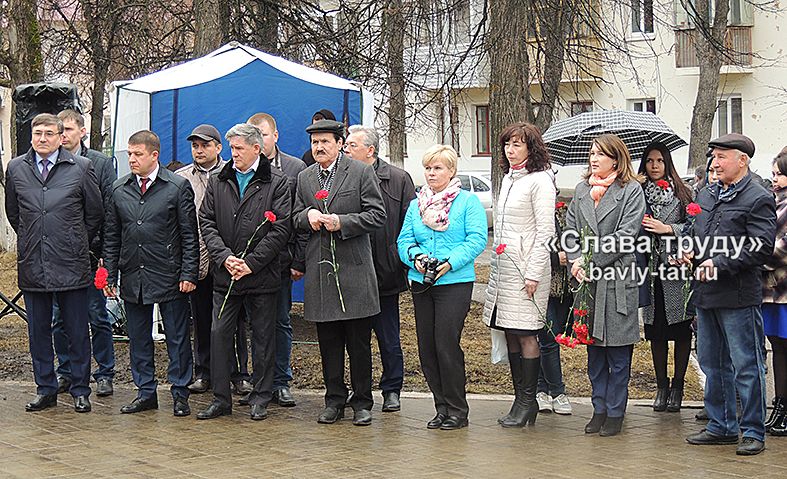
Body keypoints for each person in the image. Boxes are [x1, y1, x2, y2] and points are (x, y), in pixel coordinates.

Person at [4, 113, 103, 413]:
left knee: (75, 330)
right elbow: (14, 213)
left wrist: (72, 238)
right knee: (38, 332)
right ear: (31, 136)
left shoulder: (82, 168)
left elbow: (94, 214)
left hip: (71, 262)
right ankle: (45, 388)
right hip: (33, 261)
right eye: (37, 133)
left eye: (49, 133)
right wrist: (36, 237)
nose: (43, 138)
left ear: (62, 137)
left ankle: (80, 389)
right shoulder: (16, 168)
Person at [682, 133, 775, 456]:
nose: (715, 163)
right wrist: (686, 250)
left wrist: (718, 263)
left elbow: (760, 247)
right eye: (714, 157)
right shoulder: (706, 194)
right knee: (711, 362)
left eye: (722, 157)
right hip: (706, 294)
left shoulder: (758, 196)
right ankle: (721, 426)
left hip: (738, 296)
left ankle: (753, 431)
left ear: (742, 160)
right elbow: (696, 234)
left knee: (746, 365)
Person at [292, 119, 386, 426]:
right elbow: (294, 216)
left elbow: (376, 215)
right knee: (328, 341)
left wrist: (341, 222)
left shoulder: (359, 172)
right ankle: (333, 399)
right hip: (321, 271)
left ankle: (362, 401)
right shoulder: (305, 177)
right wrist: (308, 216)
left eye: (325, 142)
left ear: (339, 144)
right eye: (314, 142)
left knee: (358, 342)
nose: (318, 147)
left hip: (354, 271)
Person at [196, 124, 292, 421]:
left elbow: (280, 229)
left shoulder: (277, 182)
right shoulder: (218, 180)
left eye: (239, 149)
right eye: (232, 148)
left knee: (263, 338)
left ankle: (261, 397)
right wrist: (225, 258)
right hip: (225, 276)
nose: (233, 154)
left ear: (256, 149)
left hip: (260, 277)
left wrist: (251, 263)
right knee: (218, 333)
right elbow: (207, 222)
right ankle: (221, 398)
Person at [103, 130, 199, 416]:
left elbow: (189, 235)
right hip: (134, 273)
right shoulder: (119, 189)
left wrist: (189, 273)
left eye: (138, 154)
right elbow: (112, 236)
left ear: (154, 155)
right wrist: (110, 274)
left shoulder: (177, 187)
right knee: (138, 337)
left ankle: (180, 392)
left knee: (177, 337)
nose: (131, 159)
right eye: (129, 154)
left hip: (169, 274)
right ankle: (145, 391)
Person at [398, 144, 487, 430]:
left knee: (446, 345)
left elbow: (476, 240)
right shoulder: (416, 205)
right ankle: (441, 407)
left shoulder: (467, 202)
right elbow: (404, 241)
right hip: (422, 281)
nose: (432, 173)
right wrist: (416, 258)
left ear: (451, 171)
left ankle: (458, 409)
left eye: (438, 168)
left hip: (454, 281)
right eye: (428, 168)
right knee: (427, 348)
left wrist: (449, 263)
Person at [565, 134, 645, 437]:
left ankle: (615, 412)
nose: (594, 158)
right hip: (587, 284)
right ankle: (598, 408)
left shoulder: (630, 190)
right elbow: (570, 228)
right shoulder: (583, 190)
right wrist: (575, 259)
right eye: (592, 153)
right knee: (595, 355)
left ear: (616, 158)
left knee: (618, 355)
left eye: (601, 153)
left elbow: (627, 235)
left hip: (616, 280)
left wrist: (590, 260)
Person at [483, 123, 556, 428]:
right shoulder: (510, 179)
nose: (510, 150)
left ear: (531, 148)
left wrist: (534, 273)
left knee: (526, 333)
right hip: (506, 271)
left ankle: (529, 400)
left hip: (527, 272)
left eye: (517, 145)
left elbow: (545, 232)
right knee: (510, 331)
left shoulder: (540, 181)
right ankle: (520, 400)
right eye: (507, 144)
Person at [345, 124, 416, 412]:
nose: (346, 149)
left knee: (388, 335)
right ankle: (360, 390)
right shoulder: (343, 178)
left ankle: (391, 389)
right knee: (356, 338)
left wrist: (398, 259)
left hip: (385, 271)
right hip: (354, 270)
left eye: (352, 145)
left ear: (370, 150)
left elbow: (410, 224)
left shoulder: (398, 179)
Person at [176, 124, 250, 395]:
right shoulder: (181, 178)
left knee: (235, 320)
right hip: (197, 260)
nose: (199, 150)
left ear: (218, 148)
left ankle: (239, 374)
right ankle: (204, 371)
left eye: (205, 145)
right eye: (195, 145)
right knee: (202, 318)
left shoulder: (233, 173)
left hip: (227, 258)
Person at [51, 109, 117, 397]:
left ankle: (105, 372)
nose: (62, 135)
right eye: (59, 129)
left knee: (97, 315)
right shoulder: (49, 163)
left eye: (67, 129)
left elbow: (107, 209)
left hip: (90, 252)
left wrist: (103, 252)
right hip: (57, 254)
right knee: (58, 318)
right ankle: (66, 371)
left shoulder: (100, 164)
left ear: (82, 131)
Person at [247, 112, 308, 407]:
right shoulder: (243, 168)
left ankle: (282, 380)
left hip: (282, 259)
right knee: (255, 323)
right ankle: (258, 380)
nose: (260, 140)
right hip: (251, 262)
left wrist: (298, 259)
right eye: (254, 135)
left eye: (264, 134)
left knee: (281, 320)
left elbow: (300, 217)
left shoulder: (296, 168)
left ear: (276, 136)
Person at [638, 142, 694, 413]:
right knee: (656, 331)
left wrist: (667, 228)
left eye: (660, 160)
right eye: (650, 160)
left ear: (667, 162)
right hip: (649, 272)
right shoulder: (637, 192)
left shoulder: (683, 193)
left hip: (676, 271)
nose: (655, 165)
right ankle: (661, 385)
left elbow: (694, 227)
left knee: (681, 331)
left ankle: (678, 387)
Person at [763, 146, 787, 436]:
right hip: (770, 290)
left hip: (783, 291)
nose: (775, 179)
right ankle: (780, 404)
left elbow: (782, 248)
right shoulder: (773, 203)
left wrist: (755, 256)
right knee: (777, 349)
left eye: (780, 175)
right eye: (773, 174)